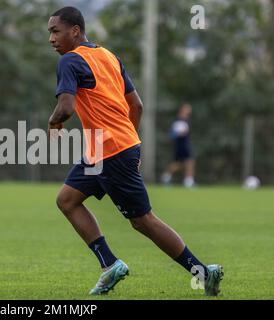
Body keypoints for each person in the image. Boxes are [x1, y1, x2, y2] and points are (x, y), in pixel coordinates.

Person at [47, 7, 223, 296]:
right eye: (50, 33)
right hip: (107, 149)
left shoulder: (70, 61)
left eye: (56, 31)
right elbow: (137, 106)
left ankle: (203, 273)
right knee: (67, 200)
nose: (52, 38)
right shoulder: (108, 56)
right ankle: (110, 265)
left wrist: (53, 123)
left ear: (75, 31)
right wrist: (129, 141)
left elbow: (65, 108)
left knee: (143, 221)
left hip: (110, 151)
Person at [161, 104, 196, 188]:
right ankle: (188, 182)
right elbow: (176, 133)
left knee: (181, 163)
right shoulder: (180, 120)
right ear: (182, 110)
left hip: (182, 145)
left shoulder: (184, 120)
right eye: (187, 109)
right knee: (189, 161)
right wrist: (180, 133)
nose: (189, 110)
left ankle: (166, 177)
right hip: (182, 145)